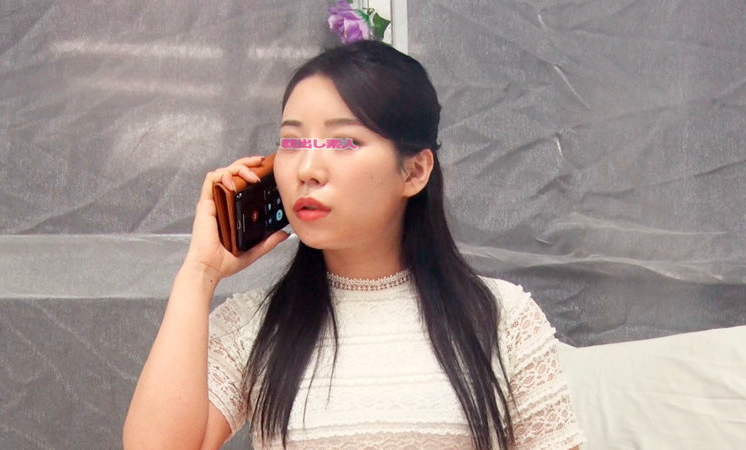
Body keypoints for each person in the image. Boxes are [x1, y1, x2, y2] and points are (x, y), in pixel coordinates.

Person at [123, 40, 587, 450]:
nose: (307, 168)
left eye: (342, 141)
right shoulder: (256, 326)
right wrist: (199, 274)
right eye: (292, 142)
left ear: (414, 171)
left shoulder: (503, 319)